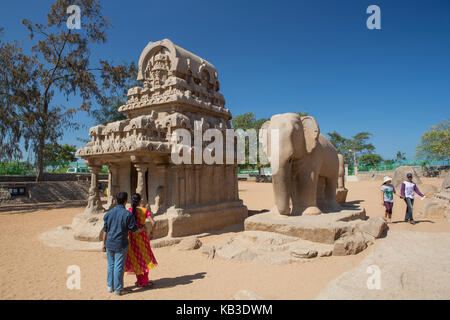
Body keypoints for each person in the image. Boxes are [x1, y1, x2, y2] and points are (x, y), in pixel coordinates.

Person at [102, 192, 145, 295]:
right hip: (120, 244)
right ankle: (118, 289)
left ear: (116, 200)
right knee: (118, 266)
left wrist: (103, 244)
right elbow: (134, 230)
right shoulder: (127, 214)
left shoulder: (109, 213)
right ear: (126, 201)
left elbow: (105, 230)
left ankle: (110, 286)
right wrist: (142, 229)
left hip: (109, 243)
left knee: (110, 265)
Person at [124, 193, 158, 288]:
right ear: (140, 201)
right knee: (145, 258)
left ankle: (139, 281)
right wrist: (151, 233)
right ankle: (145, 281)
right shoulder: (144, 210)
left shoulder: (129, 211)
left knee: (136, 259)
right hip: (142, 237)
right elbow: (153, 222)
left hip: (132, 237)